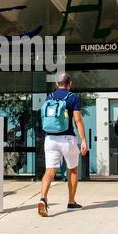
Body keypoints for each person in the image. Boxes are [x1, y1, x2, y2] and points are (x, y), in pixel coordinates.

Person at [38, 72, 88, 216]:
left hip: (50, 139)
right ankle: (71, 202)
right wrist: (83, 140)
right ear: (69, 83)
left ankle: (43, 198)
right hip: (67, 139)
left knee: (50, 171)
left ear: (56, 84)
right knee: (72, 170)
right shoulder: (73, 98)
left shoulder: (50, 97)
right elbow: (78, 120)